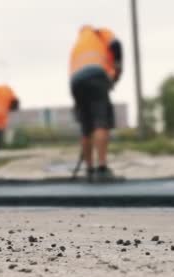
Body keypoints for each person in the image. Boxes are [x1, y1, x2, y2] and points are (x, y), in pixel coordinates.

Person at [69, 25, 123, 182]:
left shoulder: (77, 46)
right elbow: (116, 45)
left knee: (86, 127)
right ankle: (102, 168)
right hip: (96, 76)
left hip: (76, 82)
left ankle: (89, 169)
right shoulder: (100, 33)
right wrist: (117, 71)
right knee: (100, 122)